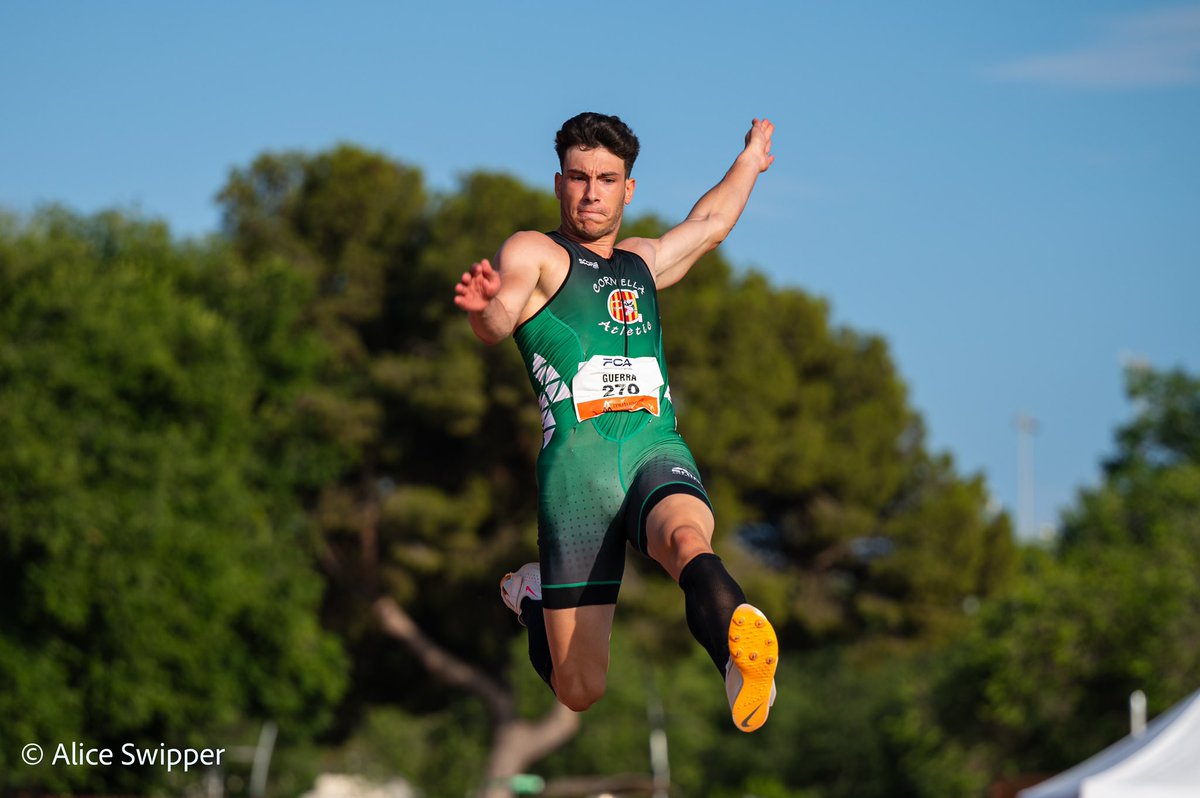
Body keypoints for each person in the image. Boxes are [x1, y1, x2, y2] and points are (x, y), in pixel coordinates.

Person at [453, 112, 778, 732]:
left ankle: (740, 664)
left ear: (628, 188)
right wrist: (483, 308)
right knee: (580, 689)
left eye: (606, 178)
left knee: (688, 541)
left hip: (654, 443)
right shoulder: (537, 254)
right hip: (579, 472)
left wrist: (749, 162)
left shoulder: (641, 263)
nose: (591, 192)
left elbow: (710, 225)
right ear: (558, 183)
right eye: (578, 178)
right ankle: (534, 594)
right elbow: (498, 321)